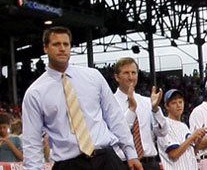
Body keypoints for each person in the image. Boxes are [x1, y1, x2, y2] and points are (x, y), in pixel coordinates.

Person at [21, 26, 142, 170]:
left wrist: (130, 152)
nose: (62, 48)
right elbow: (32, 140)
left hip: (106, 158)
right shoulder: (35, 93)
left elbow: (114, 116)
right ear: (45, 48)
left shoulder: (93, 77)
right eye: (56, 44)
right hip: (69, 164)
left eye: (66, 44)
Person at [112, 57, 166, 170]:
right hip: (124, 164)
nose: (131, 77)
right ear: (117, 77)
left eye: (133, 73)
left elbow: (162, 132)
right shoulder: (110, 103)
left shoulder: (146, 102)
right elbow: (117, 134)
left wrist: (156, 109)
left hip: (150, 162)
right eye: (126, 73)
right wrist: (132, 110)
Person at [158, 90, 206, 170]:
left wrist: (198, 140)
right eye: (174, 103)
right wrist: (191, 137)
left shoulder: (184, 126)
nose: (178, 105)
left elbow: (192, 153)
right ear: (167, 106)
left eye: (180, 102)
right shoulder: (165, 125)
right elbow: (173, 154)